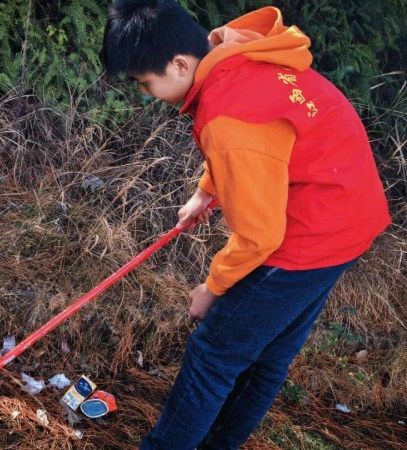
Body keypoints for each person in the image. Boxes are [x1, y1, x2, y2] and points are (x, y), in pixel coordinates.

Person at [102, 1, 391, 449]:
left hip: (310, 234)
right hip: (347, 216)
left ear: (179, 64)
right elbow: (264, 144)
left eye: (145, 83)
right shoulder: (239, 56)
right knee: (267, 356)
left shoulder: (228, 112)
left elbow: (260, 234)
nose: (146, 93)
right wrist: (205, 191)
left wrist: (212, 287)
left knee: (212, 355)